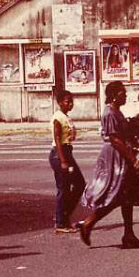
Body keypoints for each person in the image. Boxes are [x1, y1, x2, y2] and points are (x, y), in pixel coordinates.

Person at [77, 81, 139, 249]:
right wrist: (133, 159)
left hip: (123, 156)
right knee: (114, 196)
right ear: (114, 95)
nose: (126, 95)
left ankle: (129, 234)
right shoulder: (109, 113)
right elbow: (115, 140)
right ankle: (88, 223)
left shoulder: (118, 112)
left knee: (128, 196)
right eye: (123, 93)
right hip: (116, 159)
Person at [49, 89, 85, 234]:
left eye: (71, 101)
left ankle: (63, 217)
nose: (70, 104)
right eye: (67, 101)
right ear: (59, 103)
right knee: (63, 189)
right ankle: (61, 222)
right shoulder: (57, 117)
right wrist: (63, 161)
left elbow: (68, 136)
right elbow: (57, 139)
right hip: (60, 155)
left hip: (67, 153)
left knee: (79, 184)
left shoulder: (66, 117)